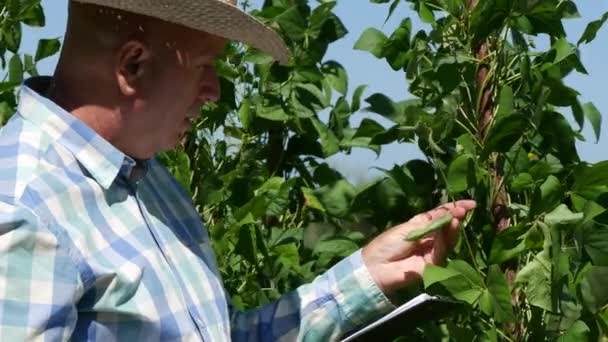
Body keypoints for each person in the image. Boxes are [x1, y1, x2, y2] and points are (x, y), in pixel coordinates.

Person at [0, 0, 476, 340]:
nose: (214, 92)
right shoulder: (23, 208)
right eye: (206, 66)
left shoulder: (154, 185)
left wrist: (369, 275)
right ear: (133, 65)